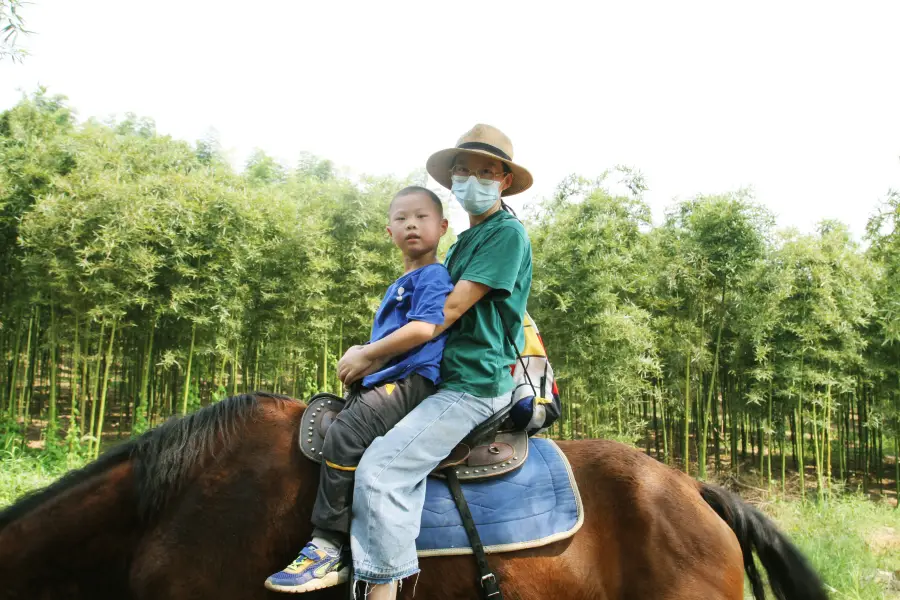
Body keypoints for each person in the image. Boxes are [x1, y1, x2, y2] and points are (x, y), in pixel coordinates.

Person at [336, 124, 533, 600]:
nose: (473, 179)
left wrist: (368, 354)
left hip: (473, 383)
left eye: (486, 172)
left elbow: (444, 314)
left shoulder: (505, 235)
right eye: (463, 171)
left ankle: (382, 592)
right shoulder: (467, 240)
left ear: (504, 180)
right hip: (442, 377)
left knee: (383, 469)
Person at [265, 186, 454, 593]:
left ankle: (328, 544)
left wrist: (366, 354)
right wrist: (364, 366)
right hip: (389, 378)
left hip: (412, 381)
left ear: (442, 227)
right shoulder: (402, 280)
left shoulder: (434, 275)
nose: (411, 225)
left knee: (346, 435)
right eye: (402, 218)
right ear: (389, 231)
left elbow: (423, 329)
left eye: (421, 217)